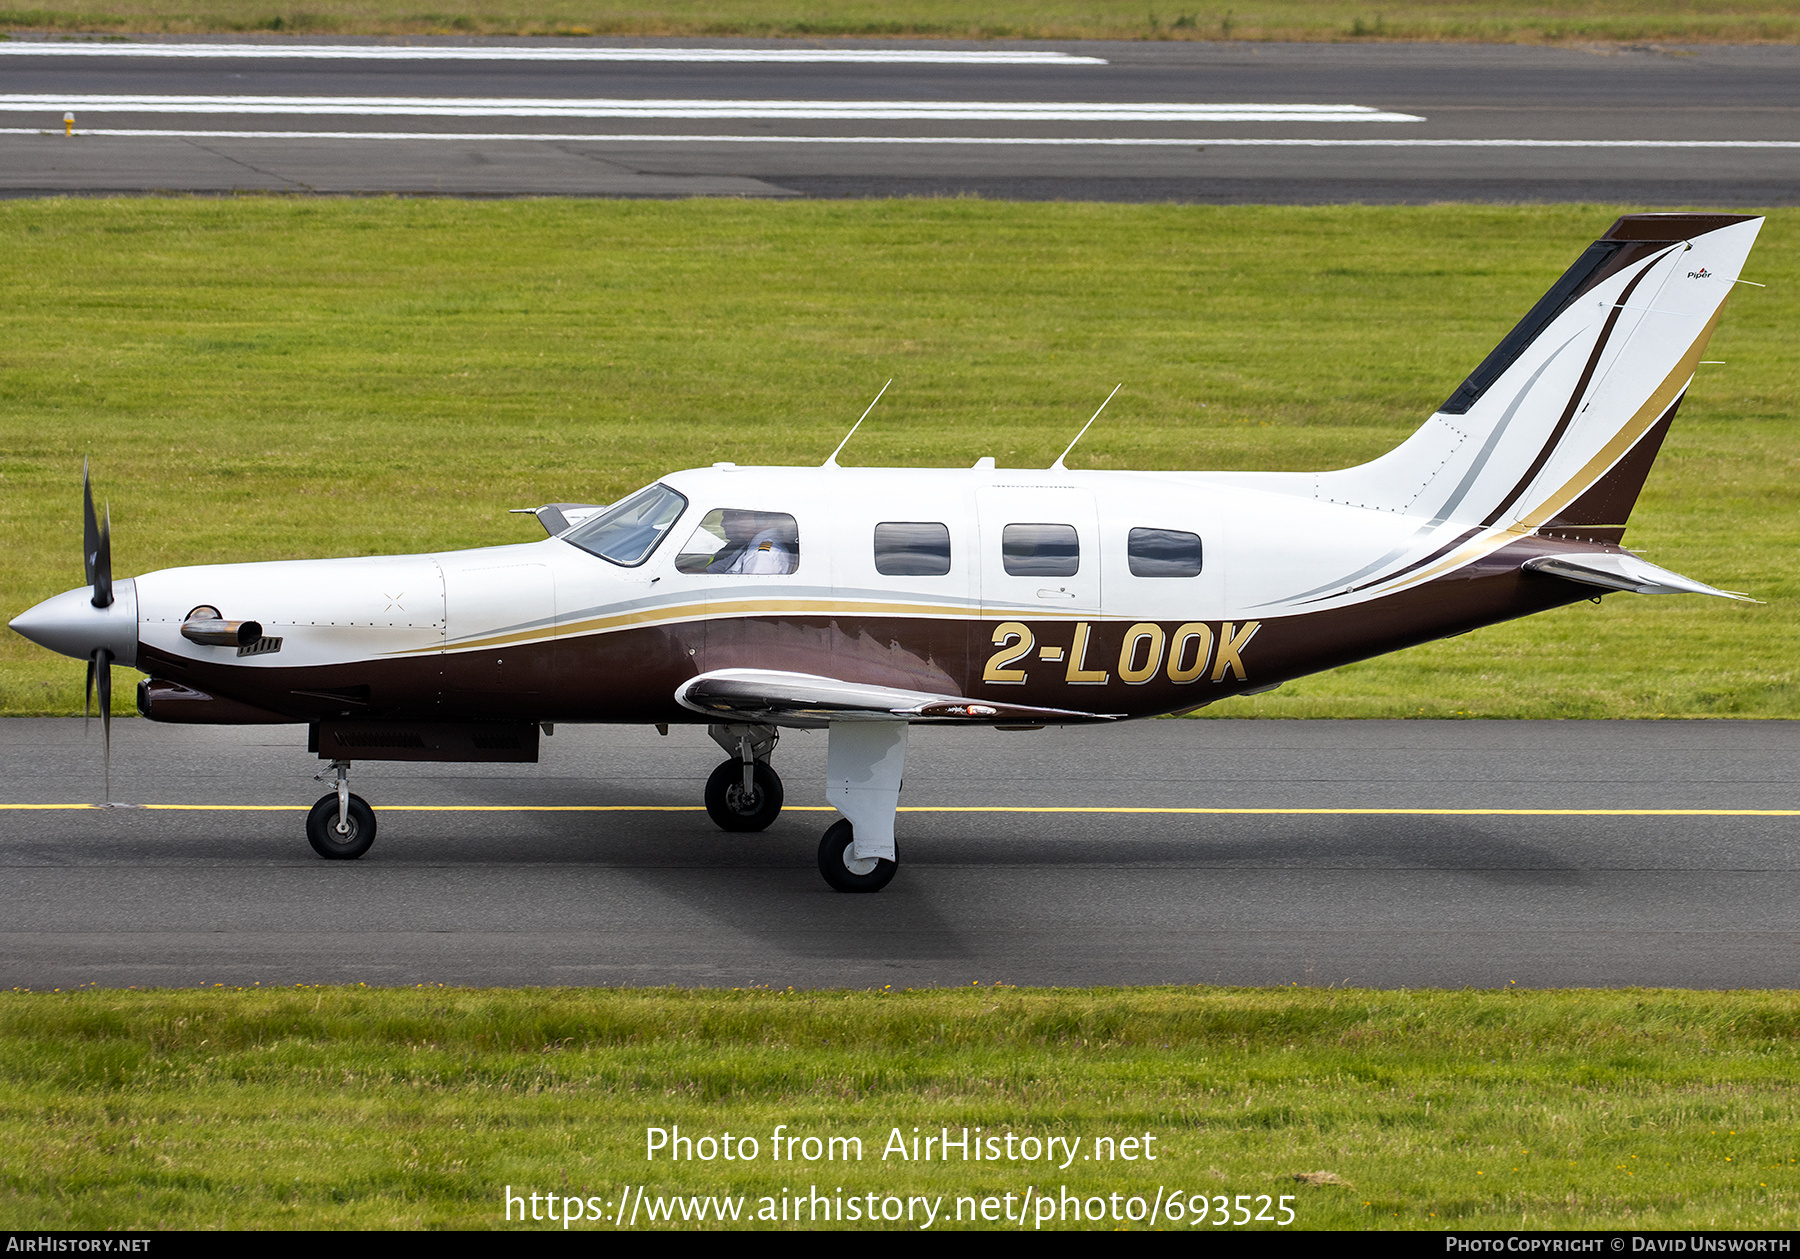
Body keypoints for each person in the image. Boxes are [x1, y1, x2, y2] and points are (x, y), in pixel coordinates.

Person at [708, 509, 796, 575]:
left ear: (762, 518)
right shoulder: (749, 547)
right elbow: (715, 570)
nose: (736, 521)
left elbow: (750, 593)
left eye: (740, 516)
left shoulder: (762, 555)